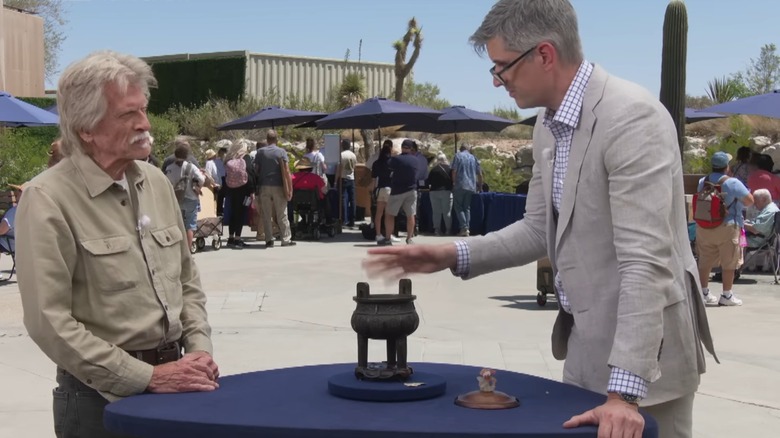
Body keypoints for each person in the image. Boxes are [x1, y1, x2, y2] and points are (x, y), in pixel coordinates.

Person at [363, 2, 717, 437]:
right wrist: (450, 254)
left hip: (645, 377)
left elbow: (645, 262)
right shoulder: (548, 126)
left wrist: (624, 396)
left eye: (502, 66)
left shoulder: (632, 118)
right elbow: (537, 228)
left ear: (544, 54)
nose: (497, 80)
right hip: (587, 360)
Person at [16, 50, 218, 438]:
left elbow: (187, 281)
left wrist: (199, 350)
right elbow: (49, 322)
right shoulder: (47, 199)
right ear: (86, 129)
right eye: (128, 114)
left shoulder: (156, 182)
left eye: (143, 109)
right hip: (99, 402)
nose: (145, 123)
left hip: (180, 384)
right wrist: (147, 377)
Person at [697, 151, 753, 307]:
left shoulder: (703, 181)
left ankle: (703, 292)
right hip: (727, 225)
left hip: (705, 225)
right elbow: (749, 201)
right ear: (726, 167)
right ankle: (727, 295)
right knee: (729, 262)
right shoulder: (733, 183)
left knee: (705, 260)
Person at [255, 130, 295, 247]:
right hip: (279, 186)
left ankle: (268, 239)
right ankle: (286, 239)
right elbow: (286, 171)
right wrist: (290, 188)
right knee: (281, 213)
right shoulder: (281, 152)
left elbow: (256, 169)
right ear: (276, 139)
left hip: (264, 185)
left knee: (266, 214)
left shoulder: (260, 152)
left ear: (267, 139)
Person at [165, 140, 206, 250]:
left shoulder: (170, 168)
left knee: (178, 223)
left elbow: (167, 183)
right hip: (191, 197)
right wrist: (197, 185)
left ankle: (178, 248)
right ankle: (187, 250)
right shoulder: (191, 167)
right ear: (186, 155)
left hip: (176, 198)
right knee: (190, 225)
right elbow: (201, 179)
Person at [382, 139, 419, 245]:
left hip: (397, 190)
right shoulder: (416, 160)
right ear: (411, 149)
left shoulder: (396, 159)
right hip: (411, 190)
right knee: (410, 215)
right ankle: (409, 238)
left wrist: (394, 154)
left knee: (390, 214)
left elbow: (388, 165)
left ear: (402, 147)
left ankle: (388, 238)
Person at [223, 140, 255, 248]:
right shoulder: (245, 157)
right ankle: (238, 239)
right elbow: (250, 173)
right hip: (244, 190)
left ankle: (230, 238)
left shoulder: (230, 158)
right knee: (241, 213)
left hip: (231, 189)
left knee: (233, 213)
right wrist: (252, 190)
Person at [451, 143, 482, 237]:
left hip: (460, 185)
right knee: (467, 208)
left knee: (458, 207)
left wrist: (453, 182)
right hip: (471, 186)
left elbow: (454, 170)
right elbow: (480, 174)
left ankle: (464, 228)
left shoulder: (458, 156)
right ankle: (467, 228)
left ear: (460, 149)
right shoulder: (474, 158)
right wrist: (480, 186)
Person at [371, 140, 399, 244]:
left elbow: (373, 180)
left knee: (378, 214)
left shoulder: (376, 163)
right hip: (390, 189)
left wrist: (373, 191)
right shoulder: (393, 162)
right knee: (389, 214)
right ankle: (389, 235)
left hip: (380, 189)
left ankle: (378, 234)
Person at [426, 153, 453, 236]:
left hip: (434, 192)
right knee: (447, 212)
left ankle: (437, 230)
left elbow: (428, 182)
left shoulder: (434, 170)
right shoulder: (450, 169)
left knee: (436, 212)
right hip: (446, 192)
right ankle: (448, 230)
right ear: (445, 159)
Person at [339, 138, 357, 227]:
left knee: (344, 199)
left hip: (344, 178)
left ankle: (344, 219)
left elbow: (340, 167)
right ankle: (352, 220)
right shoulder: (353, 155)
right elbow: (354, 166)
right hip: (352, 178)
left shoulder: (341, 155)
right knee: (352, 200)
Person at [215, 145, 228, 216]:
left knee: (226, 195)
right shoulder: (216, 161)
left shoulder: (227, 161)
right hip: (220, 178)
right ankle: (219, 211)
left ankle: (224, 210)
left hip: (226, 178)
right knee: (220, 196)